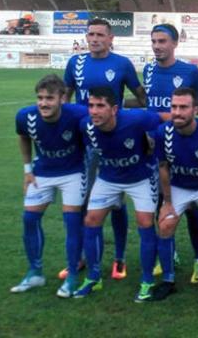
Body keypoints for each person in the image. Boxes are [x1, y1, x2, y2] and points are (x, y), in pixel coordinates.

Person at [62, 18, 145, 281]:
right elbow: (65, 97)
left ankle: (119, 259)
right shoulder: (75, 63)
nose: (94, 38)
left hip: (114, 142)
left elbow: (141, 96)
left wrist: (121, 107)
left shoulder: (122, 64)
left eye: (100, 34)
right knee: (82, 202)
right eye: (90, 34)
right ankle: (82, 258)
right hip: (83, 141)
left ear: (111, 39)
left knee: (117, 201)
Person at [73, 87, 163, 300]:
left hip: (141, 177)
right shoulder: (85, 126)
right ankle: (94, 277)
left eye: (100, 106)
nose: (94, 111)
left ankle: (147, 280)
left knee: (145, 222)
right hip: (109, 178)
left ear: (114, 109)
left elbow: (163, 119)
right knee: (91, 219)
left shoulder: (136, 119)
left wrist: (153, 144)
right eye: (91, 106)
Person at [139, 23, 198, 284]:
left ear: (175, 43)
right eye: (154, 41)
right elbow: (147, 104)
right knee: (160, 201)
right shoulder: (148, 70)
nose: (157, 46)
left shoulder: (190, 71)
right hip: (152, 144)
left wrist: (166, 116)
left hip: (183, 144)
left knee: (189, 205)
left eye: (162, 41)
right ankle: (171, 253)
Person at [10, 74, 88, 298]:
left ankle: (72, 275)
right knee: (29, 219)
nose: (43, 103)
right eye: (40, 98)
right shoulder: (25, 116)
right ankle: (35, 273)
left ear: (63, 98)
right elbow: (23, 137)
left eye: (49, 98)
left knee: (71, 221)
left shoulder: (78, 114)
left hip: (73, 172)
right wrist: (27, 170)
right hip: (42, 172)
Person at [150, 87, 198, 305]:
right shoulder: (163, 132)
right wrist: (167, 202)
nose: (177, 112)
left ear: (196, 110)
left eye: (183, 107)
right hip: (180, 186)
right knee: (165, 223)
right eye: (174, 107)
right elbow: (163, 167)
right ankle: (168, 280)